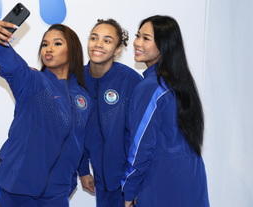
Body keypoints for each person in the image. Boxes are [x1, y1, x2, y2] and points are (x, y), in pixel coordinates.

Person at [0, 20, 92, 207]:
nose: (49, 49)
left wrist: (83, 171)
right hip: (17, 186)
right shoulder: (33, 82)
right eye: (44, 44)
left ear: (72, 50)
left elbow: (79, 140)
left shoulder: (83, 97)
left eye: (57, 43)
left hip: (57, 191)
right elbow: (10, 63)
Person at [121, 15, 210, 207]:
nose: (137, 43)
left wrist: (129, 190)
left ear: (164, 45)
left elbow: (141, 147)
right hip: (192, 182)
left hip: (162, 183)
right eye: (138, 36)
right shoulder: (181, 82)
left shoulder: (151, 87)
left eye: (146, 38)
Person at [78, 19, 142, 207]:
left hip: (129, 179)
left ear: (117, 49)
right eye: (94, 38)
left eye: (107, 40)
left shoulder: (130, 80)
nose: (98, 44)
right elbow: (76, 130)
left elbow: (141, 134)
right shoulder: (77, 80)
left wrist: (135, 180)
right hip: (102, 182)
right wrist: (83, 169)